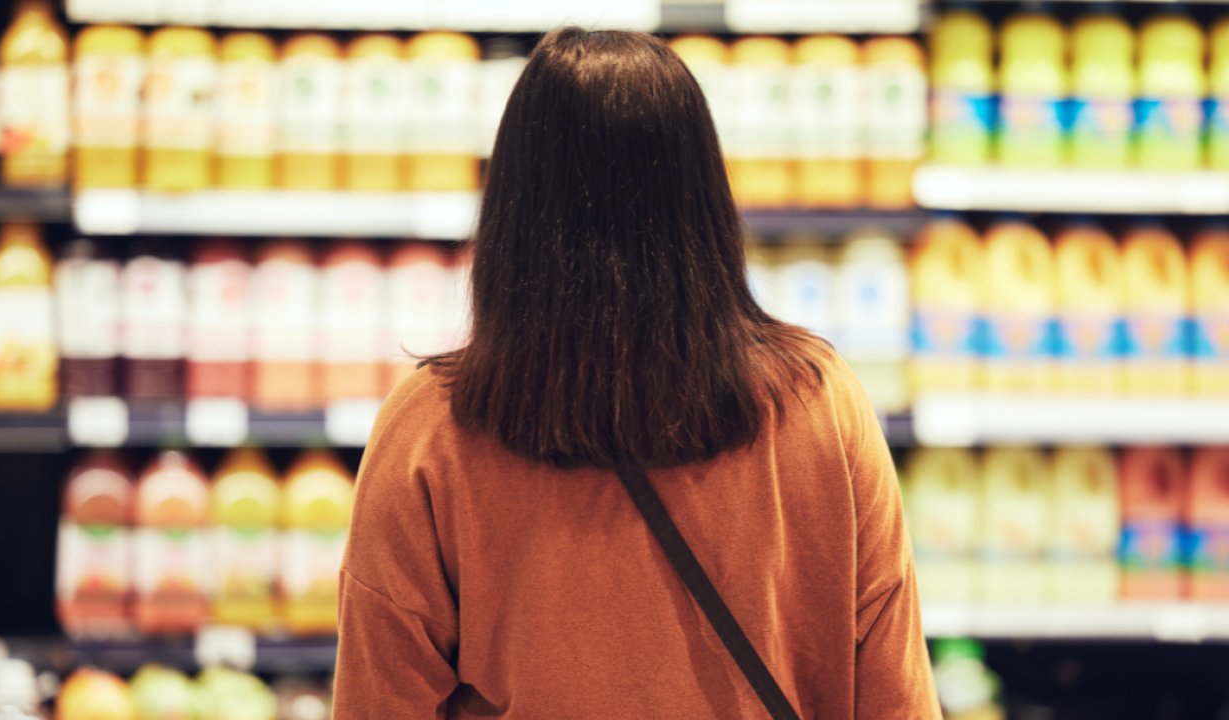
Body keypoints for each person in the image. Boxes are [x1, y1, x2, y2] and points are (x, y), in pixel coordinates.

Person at [334, 27, 940, 719]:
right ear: (706, 196)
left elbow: (379, 700)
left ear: (510, 205)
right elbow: (896, 695)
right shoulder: (820, 403)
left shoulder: (430, 428)